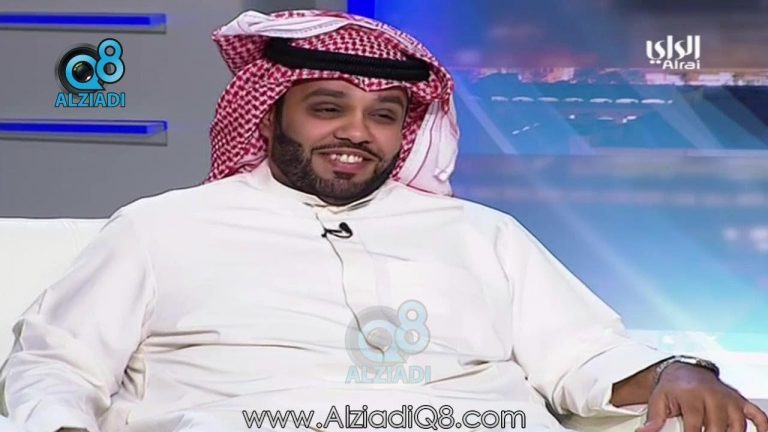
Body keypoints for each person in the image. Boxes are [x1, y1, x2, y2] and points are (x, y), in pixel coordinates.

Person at [1, 9, 766, 432]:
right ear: (269, 118)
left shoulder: (479, 234)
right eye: (327, 107)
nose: (356, 133)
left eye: (383, 115)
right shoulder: (162, 230)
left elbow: (583, 355)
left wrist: (676, 369)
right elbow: (57, 365)